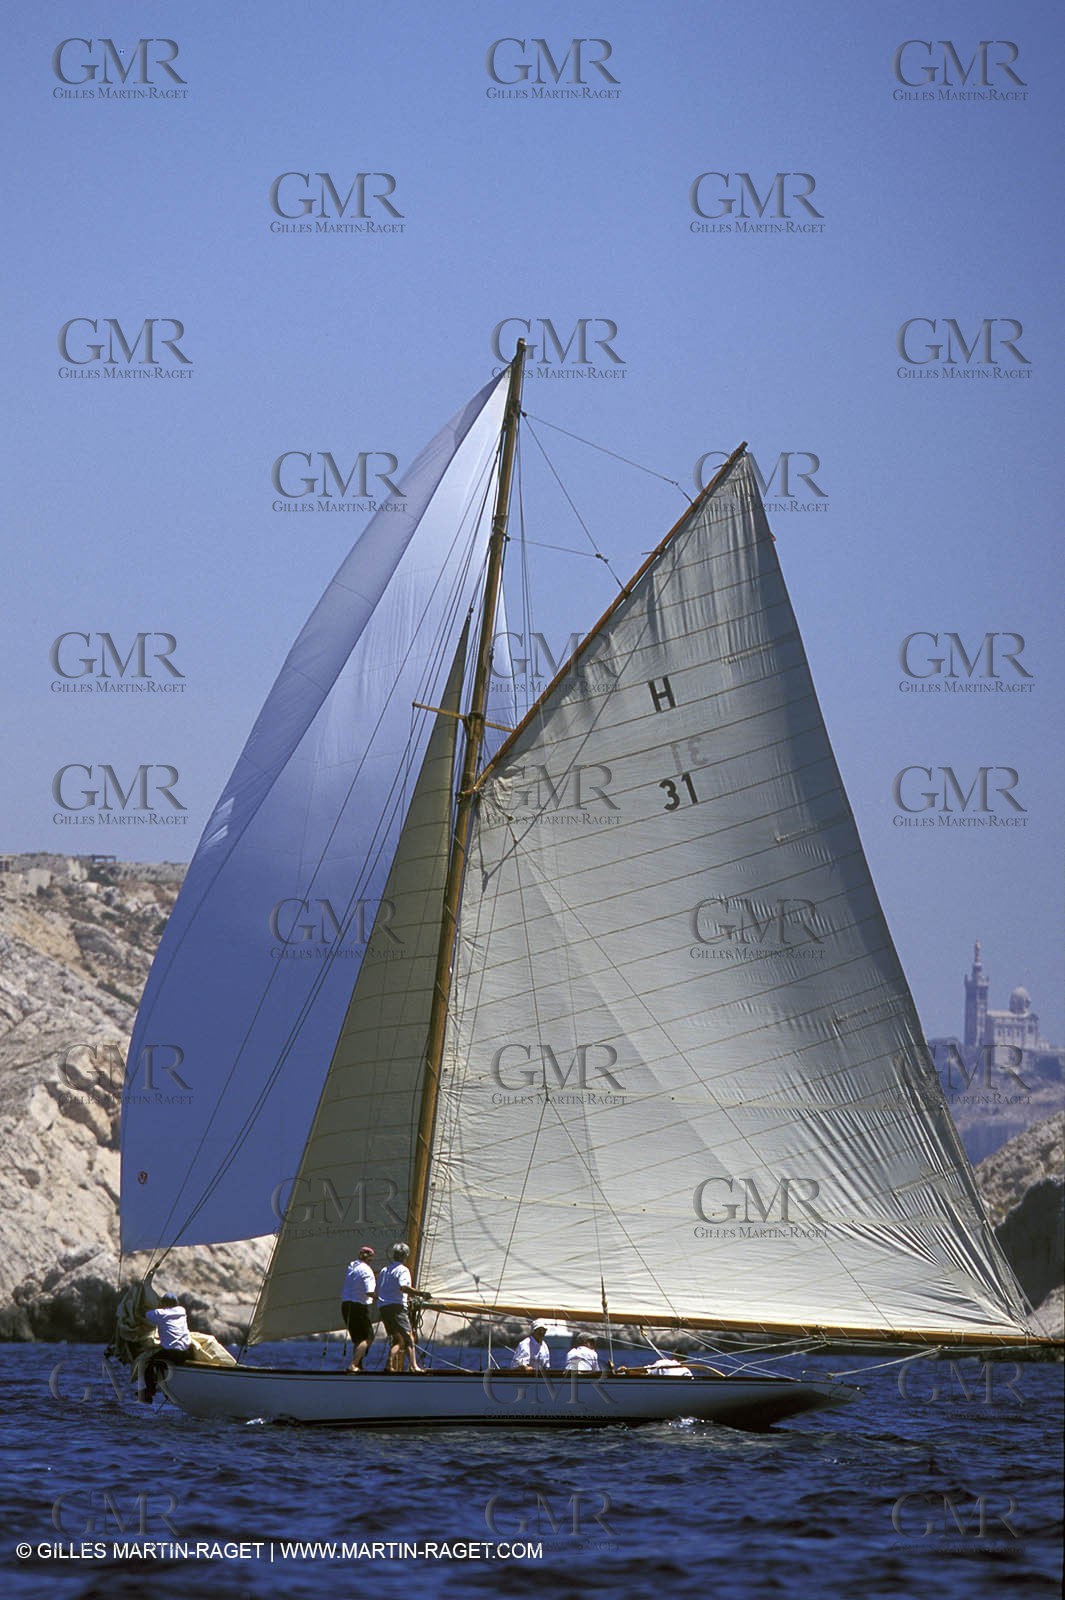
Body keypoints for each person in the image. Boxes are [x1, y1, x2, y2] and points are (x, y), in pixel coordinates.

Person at [376, 1243, 424, 1373]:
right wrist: (421, 1293)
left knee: (398, 1339)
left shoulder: (384, 1270)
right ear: (406, 1256)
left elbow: (378, 1289)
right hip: (397, 1307)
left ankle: (389, 1364)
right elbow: (403, 1287)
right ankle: (414, 1366)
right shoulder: (403, 1270)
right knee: (409, 1337)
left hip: (384, 1307)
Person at [340, 1246, 376, 1371]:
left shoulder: (352, 1266)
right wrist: (382, 1298)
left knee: (357, 1339)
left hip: (346, 1305)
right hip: (359, 1306)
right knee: (368, 1338)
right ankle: (354, 1364)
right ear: (370, 1258)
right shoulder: (367, 1270)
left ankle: (358, 1366)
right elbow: (369, 1292)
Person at [145, 1294, 193, 1364]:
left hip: (171, 1353)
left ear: (163, 1303)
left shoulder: (160, 1313)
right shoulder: (182, 1310)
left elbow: (145, 1314)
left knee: (147, 1361)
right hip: (186, 1352)